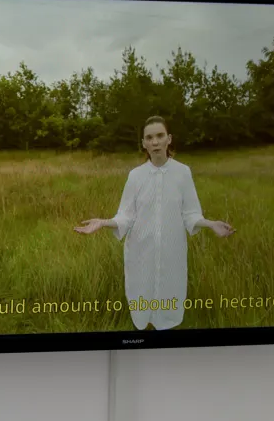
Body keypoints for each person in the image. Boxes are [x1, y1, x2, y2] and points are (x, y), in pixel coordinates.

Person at [74, 115, 234, 330]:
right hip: (141, 252)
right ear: (144, 144)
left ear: (169, 139)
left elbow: (191, 213)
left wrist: (209, 223)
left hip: (171, 252)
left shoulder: (183, 173)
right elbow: (126, 216)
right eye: (149, 138)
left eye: (159, 136)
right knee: (142, 297)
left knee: (169, 296)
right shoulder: (135, 176)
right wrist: (103, 222)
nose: (155, 142)